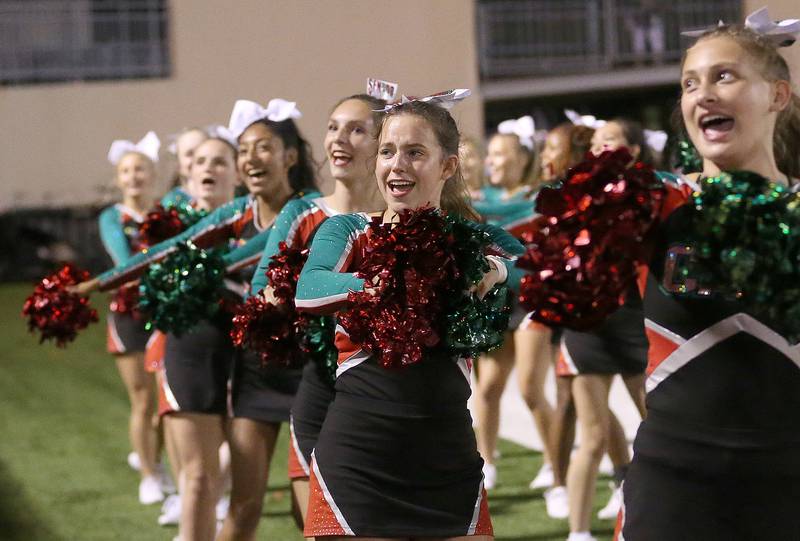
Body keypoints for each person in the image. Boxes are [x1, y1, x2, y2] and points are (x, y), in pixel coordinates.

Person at [296, 95, 524, 539]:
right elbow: (309, 290)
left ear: (447, 166)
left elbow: (531, 265)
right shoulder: (350, 230)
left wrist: (495, 269)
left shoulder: (472, 241)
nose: (397, 164)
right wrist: (377, 284)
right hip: (360, 458)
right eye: (387, 151)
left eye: (415, 152)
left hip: (447, 456)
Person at [615, 15, 800, 541]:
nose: (703, 95)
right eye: (690, 83)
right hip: (672, 490)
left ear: (777, 95)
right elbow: (541, 265)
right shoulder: (653, 203)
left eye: (725, 77)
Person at [220, 93, 386, 539]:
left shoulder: (401, 219)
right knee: (307, 519)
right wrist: (277, 298)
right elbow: (259, 290)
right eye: (332, 127)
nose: (338, 138)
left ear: (381, 142)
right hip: (305, 377)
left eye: (355, 129)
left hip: (375, 388)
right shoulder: (303, 213)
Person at [470, 116, 556, 492]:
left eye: (501, 154)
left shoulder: (539, 200)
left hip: (531, 302)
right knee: (487, 390)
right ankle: (486, 462)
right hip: (497, 304)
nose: (493, 161)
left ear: (523, 158)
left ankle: (557, 468)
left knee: (530, 390)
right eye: (490, 154)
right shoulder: (480, 202)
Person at [99, 131, 166, 505]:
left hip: (166, 312)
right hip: (128, 313)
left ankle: (155, 459)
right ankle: (149, 474)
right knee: (142, 399)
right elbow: (124, 261)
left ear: (151, 174)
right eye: (126, 171)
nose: (134, 177)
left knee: (163, 400)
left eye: (140, 169)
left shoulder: (164, 215)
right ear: (118, 178)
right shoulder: (113, 216)